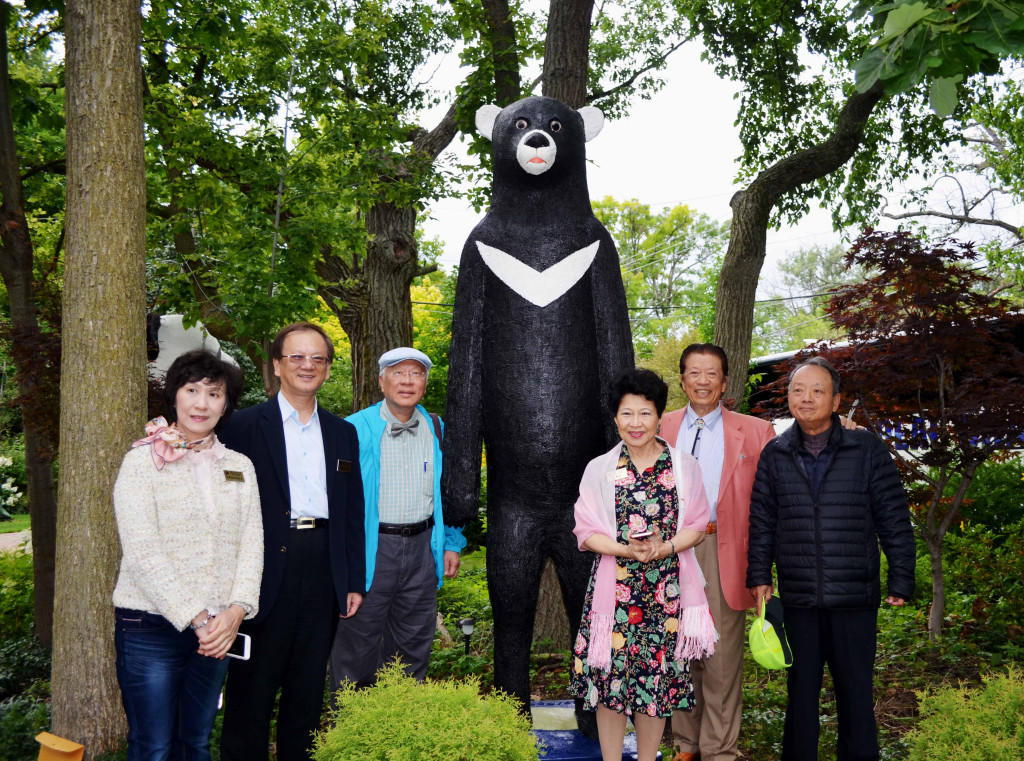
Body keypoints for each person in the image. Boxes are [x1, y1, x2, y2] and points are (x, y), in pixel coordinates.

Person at [746, 356, 916, 761]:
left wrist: (901, 578)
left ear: (836, 400)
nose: (806, 399)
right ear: (788, 397)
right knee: (801, 693)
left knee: (856, 693)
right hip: (799, 596)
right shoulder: (775, 453)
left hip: (854, 597)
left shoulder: (866, 448)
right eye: (798, 390)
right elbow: (762, 518)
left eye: (818, 391)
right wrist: (759, 574)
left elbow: (893, 516)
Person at [219, 323, 365, 761]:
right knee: (253, 685)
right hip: (261, 568)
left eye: (317, 358)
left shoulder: (343, 433)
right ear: (277, 365)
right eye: (296, 357)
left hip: (322, 568)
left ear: (327, 369)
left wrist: (353, 579)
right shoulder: (241, 427)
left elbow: (351, 511)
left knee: (306, 686)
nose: (307, 366)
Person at [112, 349, 261, 761]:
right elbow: (142, 552)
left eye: (214, 394)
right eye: (191, 390)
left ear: (226, 403)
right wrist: (199, 618)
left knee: (195, 744)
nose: (201, 403)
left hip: (217, 632)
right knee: (154, 747)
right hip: (150, 626)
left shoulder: (240, 466)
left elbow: (253, 543)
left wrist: (235, 613)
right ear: (174, 396)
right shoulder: (143, 461)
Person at [570, 368, 718, 761]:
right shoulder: (599, 469)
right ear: (615, 418)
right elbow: (585, 531)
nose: (636, 423)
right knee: (610, 686)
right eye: (627, 414)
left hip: (665, 594)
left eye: (645, 413)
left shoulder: (683, 467)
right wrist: (625, 549)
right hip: (613, 594)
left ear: (659, 416)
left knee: (655, 685)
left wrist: (664, 547)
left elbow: (697, 525)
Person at [658, 343, 775, 761]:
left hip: (724, 551)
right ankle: (686, 746)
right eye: (694, 373)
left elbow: (768, 505)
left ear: (725, 382)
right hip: (667, 553)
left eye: (712, 374)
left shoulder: (756, 431)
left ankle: (719, 750)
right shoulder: (660, 427)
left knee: (721, 658)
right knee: (678, 651)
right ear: (683, 379)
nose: (703, 381)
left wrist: (763, 568)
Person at [329, 347, 466, 693]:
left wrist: (450, 541)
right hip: (371, 549)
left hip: (423, 548)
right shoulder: (352, 428)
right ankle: (351, 734)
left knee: (413, 647)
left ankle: (401, 729)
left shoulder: (436, 428)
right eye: (398, 372)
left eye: (416, 373)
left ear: (424, 383)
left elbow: (450, 491)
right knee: (356, 646)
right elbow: (335, 499)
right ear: (381, 380)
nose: (407, 381)